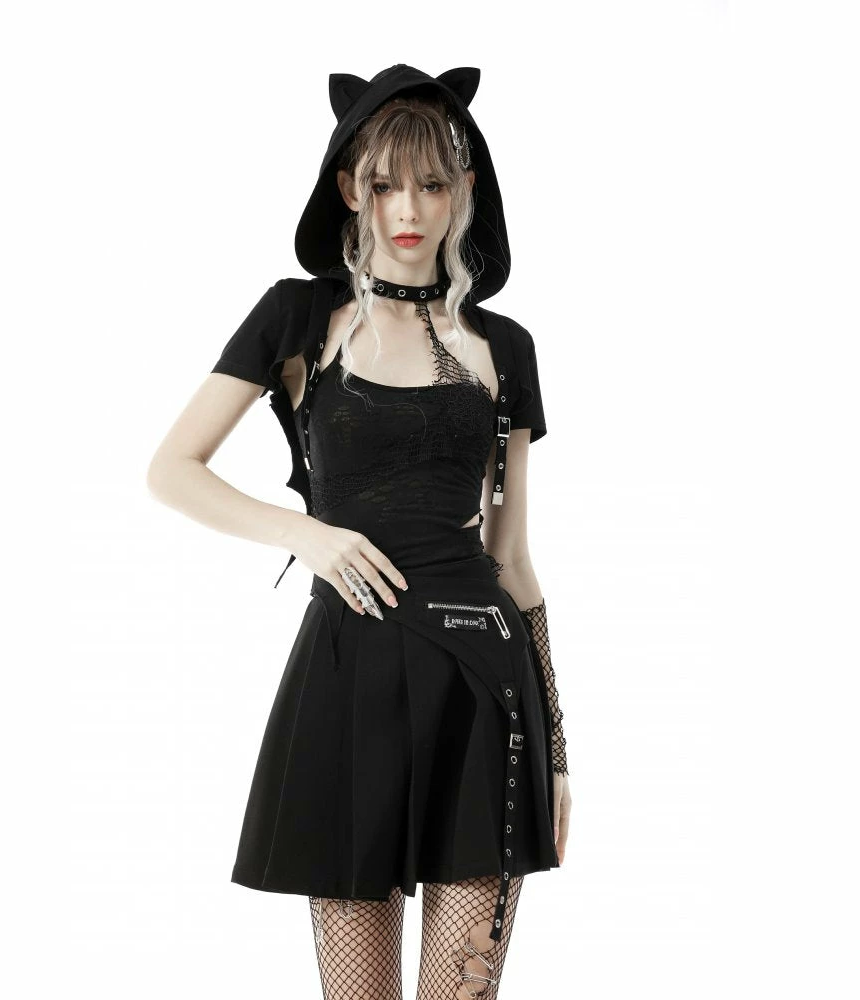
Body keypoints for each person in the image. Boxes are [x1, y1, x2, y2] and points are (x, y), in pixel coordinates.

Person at [147, 63, 572, 1000]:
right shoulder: (300, 319)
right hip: (348, 678)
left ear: (464, 189)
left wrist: (557, 751)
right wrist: (308, 536)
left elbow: (512, 558)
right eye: (384, 185)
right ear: (350, 189)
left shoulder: (506, 349)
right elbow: (172, 469)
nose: (407, 209)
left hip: (481, 690)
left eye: (431, 184)